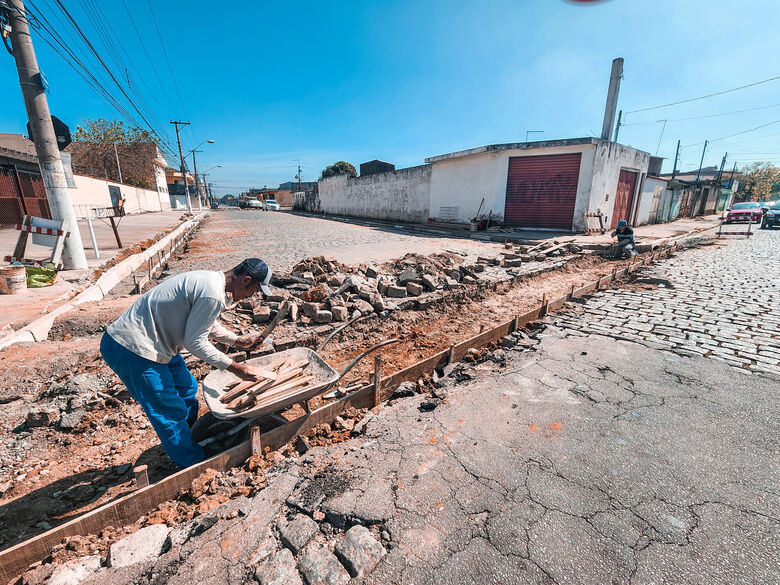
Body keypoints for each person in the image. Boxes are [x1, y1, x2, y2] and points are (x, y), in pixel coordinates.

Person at [100, 258, 273, 468]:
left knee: (187, 389)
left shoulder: (210, 282)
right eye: (254, 290)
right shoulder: (212, 293)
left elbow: (205, 323)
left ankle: (190, 437)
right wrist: (236, 368)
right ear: (245, 280)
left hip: (158, 342)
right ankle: (194, 464)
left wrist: (236, 340)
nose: (251, 296)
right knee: (168, 411)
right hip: (133, 348)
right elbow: (195, 342)